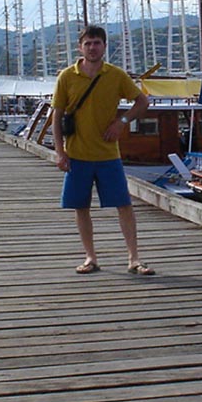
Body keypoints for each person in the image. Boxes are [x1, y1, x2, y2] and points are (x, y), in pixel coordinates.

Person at [53, 25, 152, 275]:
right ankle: (90, 257)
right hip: (77, 154)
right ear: (80, 47)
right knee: (81, 206)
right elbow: (57, 116)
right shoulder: (66, 76)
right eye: (87, 43)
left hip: (108, 154)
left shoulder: (115, 75)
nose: (92, 47)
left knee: (124, 204)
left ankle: (134, 259)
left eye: (97, 43)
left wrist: (122, 122)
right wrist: (59, 152)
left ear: (104, 46)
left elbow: (142, 102)